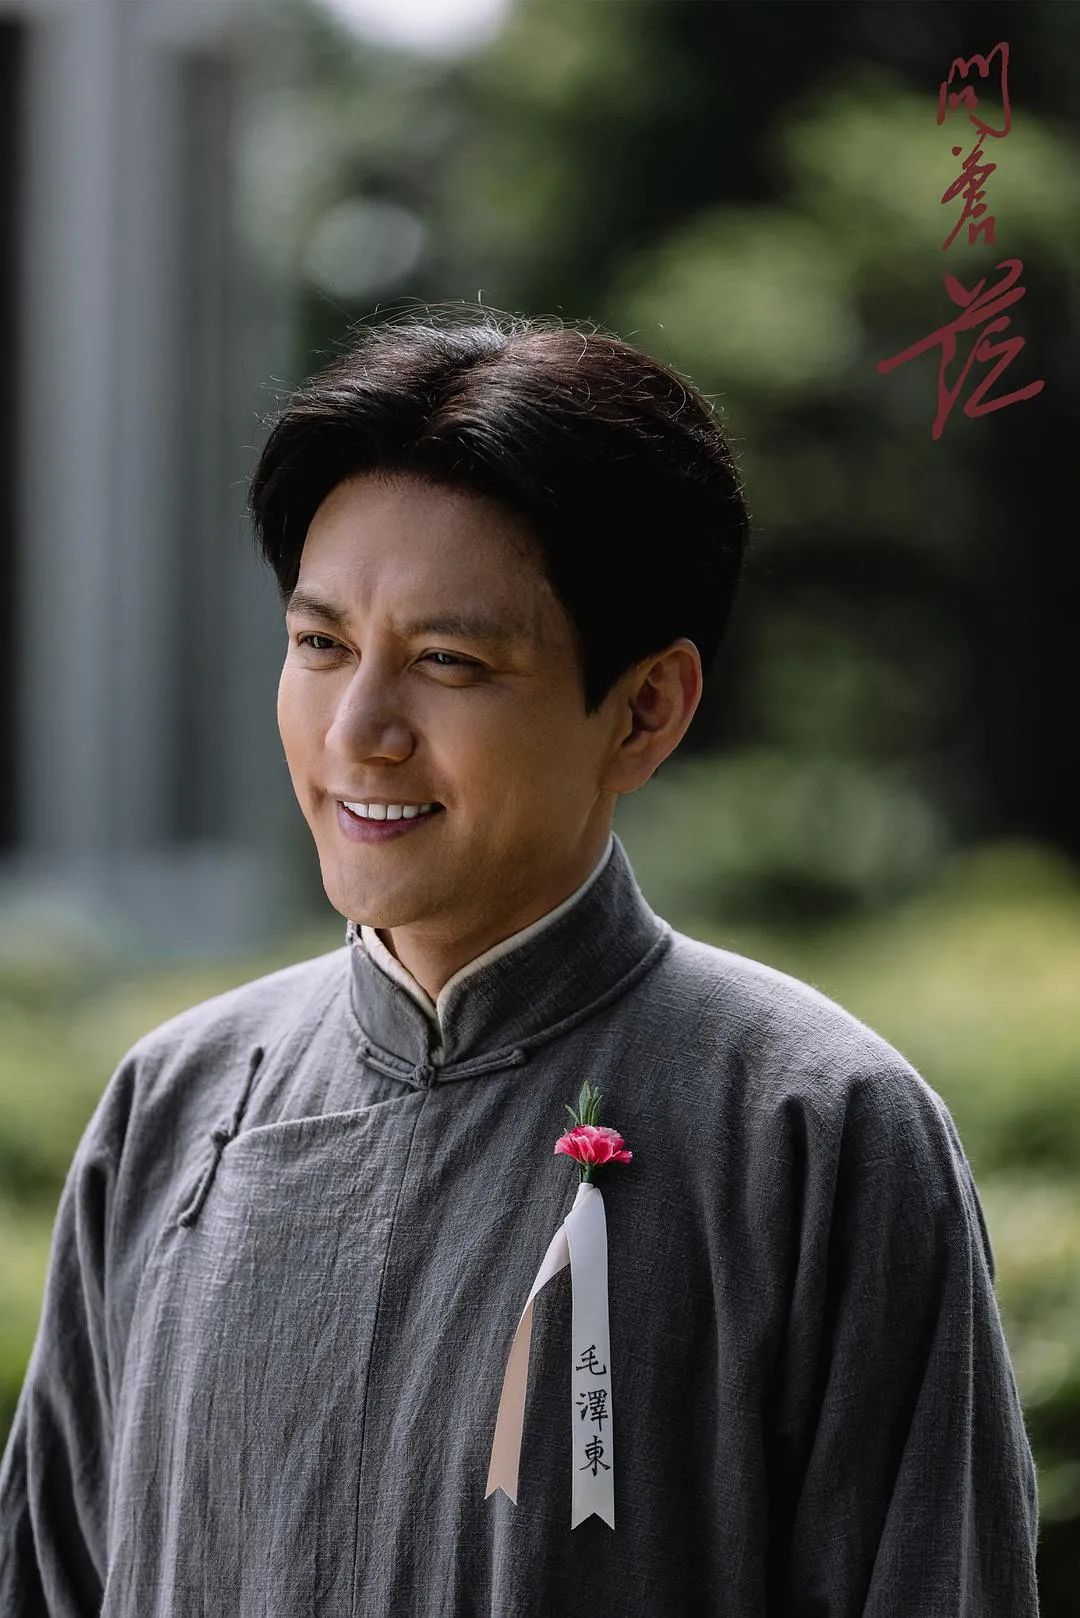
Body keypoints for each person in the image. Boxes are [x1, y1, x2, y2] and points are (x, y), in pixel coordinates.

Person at [0, 308, 1040, 1617]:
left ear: (646, 709)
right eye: (321, 644)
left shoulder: (816, 1127)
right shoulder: (175, 1106)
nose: (359, 728)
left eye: (447, 661)